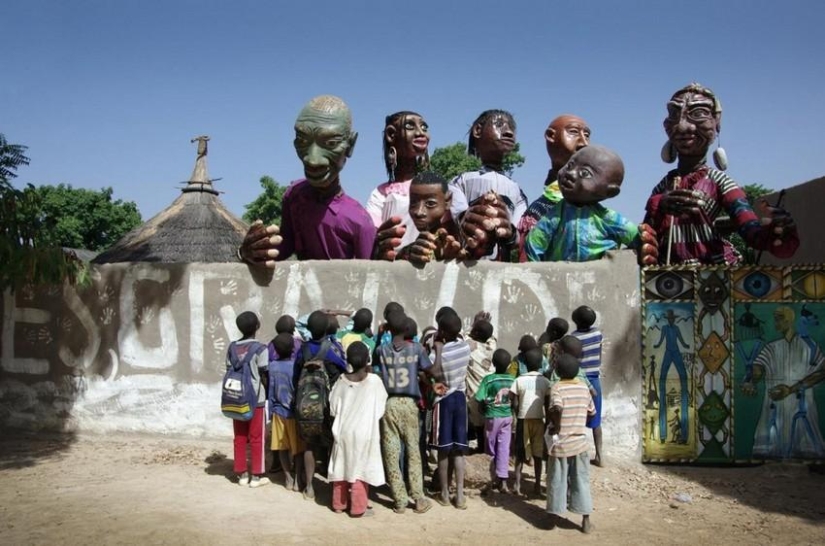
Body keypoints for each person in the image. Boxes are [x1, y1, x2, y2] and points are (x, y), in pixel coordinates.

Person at [644, 82, 798, 265]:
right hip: (670, 279)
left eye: (699, 114)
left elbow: (750, 230)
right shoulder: (664, 185)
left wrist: (776, 231)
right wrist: (659, 204)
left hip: (712, 275)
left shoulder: (720, 182)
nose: (683, 127)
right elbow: (647, 232)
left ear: (716, 124)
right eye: (674, 115)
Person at [239, 95, 376, 265]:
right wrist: (251, 252)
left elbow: (371, 279)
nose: (312, 160)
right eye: (302, 141)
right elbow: (283, 248)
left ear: (351, 145)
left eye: (331, 143)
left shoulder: (360, 222)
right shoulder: (295, 195)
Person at [525, 145, 658, 264]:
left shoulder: (608, 219)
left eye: (584, 173)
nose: (570, 173)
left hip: (598, 283)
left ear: (609, 191)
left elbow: (636, 240)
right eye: (570, 165)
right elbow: (534, 244)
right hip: (560, 281)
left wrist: (643, 247)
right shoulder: (554, 217)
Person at [374, 310, 437, 514]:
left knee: (391, 453)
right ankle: (418, 498)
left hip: (389, 403)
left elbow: (374, 365)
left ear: (388, 329)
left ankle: (399, 501)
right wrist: (440, 351)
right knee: (413, 452)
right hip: (410, 404)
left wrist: (377, 336)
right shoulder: (417, 349)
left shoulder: (382, 350)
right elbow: (432, 371)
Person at [741, 306, 825, 458]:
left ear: (790, 320)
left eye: (779, 319)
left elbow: (821, 372)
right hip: (775, 403)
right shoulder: (771, 348)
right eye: (775, 320)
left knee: (804, 447)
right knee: (771, 448)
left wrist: (792, 389)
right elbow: (758, 367)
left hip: (801, 402)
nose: (776, 324)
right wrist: (751, 381)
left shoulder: (809, 347)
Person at [449, 109, 528, 261]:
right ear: (478, 130)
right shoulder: (460, 182)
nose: (509, 132)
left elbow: (518, 235)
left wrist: (510, 233)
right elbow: (456, 217)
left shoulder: (517, 191)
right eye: (499, 125)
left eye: (512, 128)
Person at [517, 115, 591, 261]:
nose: (584, 143)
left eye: (587, 135)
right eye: (574, 132)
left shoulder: (591, 202)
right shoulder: (540, 210)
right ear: (551, 136)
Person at [328, 342, 388, 517]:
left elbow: (333, 407)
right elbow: (380, 408)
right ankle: (358, 508)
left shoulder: (341, 381)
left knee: (341, 466)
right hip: (365, 434)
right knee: (360, 469)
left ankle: (338, 503)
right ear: (367, 359)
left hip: (343, 432)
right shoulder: (374, 381)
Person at [293, 310, 347, 499]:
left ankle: (309, 487)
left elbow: (295, 374)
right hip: (326, 406)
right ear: (327, 329)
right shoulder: (330, 350)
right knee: (332, 443)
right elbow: (344, 368)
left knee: (309, 445)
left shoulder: (303, 349)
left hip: (306, 405)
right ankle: (333, 489)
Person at [367, 111, 431, 257]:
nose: (420, 132)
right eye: (410, 126)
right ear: (391, 135)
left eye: (424, 128)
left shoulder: (434, 187)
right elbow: (373, 239)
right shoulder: (380, 194)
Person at [545, 354, 596, 534]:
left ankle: (553, 517)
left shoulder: (557, 388)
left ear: (557, 371)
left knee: (557, 479)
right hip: (580, 443)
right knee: (581, 479)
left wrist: (556, 426)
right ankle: (586, 520)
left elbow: (556, 408)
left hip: (561, 444)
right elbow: (591, 412)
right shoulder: (584, 388)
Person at [429, 309, 471, 509]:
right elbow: (466, 338)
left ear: (442, 332)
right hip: (460, 399)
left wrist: (436, 348)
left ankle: (445, 494)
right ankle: (460, 495)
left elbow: (433, 370)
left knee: (443, 450)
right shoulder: (465, 348)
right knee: (459, 449)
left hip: (443, 401)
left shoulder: (439, 352)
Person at [378, 171, 462, 263]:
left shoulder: (456, 246)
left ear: (447, 202)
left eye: (430, 203)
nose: (419, 212)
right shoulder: (408, 252)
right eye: (413, 203)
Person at [227, 311, 271, 488]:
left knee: (239, 436)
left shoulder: (232, 348)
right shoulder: (261, 349)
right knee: (256, 437)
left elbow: (229, 369)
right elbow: (264, 373)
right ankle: (257, 476)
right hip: (256, 399)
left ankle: (242, 474)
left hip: (236, 397)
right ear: (257, 327)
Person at [509, 348, 550, 497]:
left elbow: (512, 399)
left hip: (522, 420)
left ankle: (517, 484)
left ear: (524, 363)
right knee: (538, 454)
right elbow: (547, 403)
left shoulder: (519, 380)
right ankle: (537, 486)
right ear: (541, 364)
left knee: (520, 454)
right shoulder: (545, 381)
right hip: (539, 421)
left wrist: (516, 412)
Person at [474, 348, 515, 494]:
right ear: (509, 365)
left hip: (492, 416)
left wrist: (481, 409)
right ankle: (503, 480)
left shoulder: (488, 379)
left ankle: (490, 478)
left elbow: (479, 398)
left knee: (490, 446)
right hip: (507, 417)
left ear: (493, 363)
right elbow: (515, 398)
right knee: (504, 448)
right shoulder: (512, 379)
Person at [267, 332, 305, 490]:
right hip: (294, 413)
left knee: (282, 447)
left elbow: (271, 390)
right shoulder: (296, 365)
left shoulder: (273, 366)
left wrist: (270, 412)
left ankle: (288, 477)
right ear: (293, 349)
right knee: (298, 449)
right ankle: (297, 479)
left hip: (278, 412)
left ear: (275, 350)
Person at [571, 306, 606, 467]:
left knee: (577, 417)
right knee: (596, 419)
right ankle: (599, 455)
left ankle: (577, 454)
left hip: (580, 380)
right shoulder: (597, 333)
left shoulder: (574, 338)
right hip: (595, 380)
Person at [654, 309, 690, 446]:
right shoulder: (664, 328)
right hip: (668, 352)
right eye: (670, 318)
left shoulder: (676, 328)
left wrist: (686, 345)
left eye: (672, 319)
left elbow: (680, 339)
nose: (671, 320)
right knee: (662, 379)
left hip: (676, 352)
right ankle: (662, 435)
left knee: (684, 378)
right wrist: (657, 345)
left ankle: (685, 435)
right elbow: (661, 340)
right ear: (668, 319)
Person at [464, 314, 497, 451]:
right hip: (489, 391)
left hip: (475, 393)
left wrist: (474, 323)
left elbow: (464, 335)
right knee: (487, 421)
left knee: (478, 423)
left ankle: (481, 447)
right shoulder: (492, 347)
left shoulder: (471, 348)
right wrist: (482, 325)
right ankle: (487, 447)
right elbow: (492, 338)